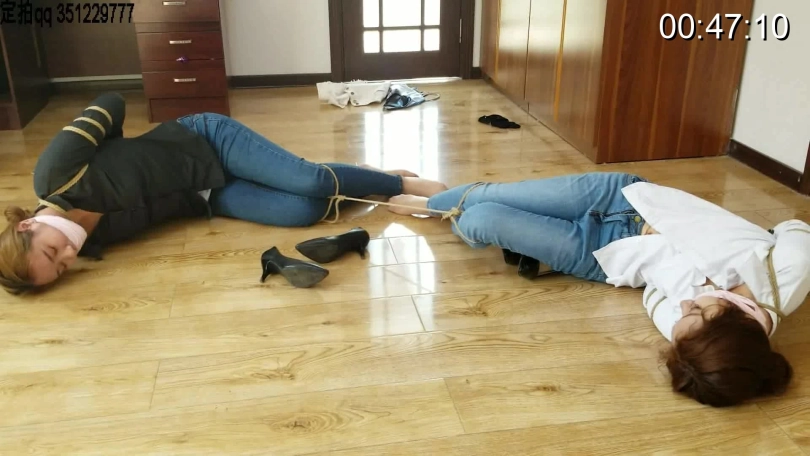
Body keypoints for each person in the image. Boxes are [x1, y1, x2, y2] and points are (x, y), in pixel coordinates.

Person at [388, 172, 810, 407]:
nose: (685, 305)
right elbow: (795, 228)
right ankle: (436, 197)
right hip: (626, 199)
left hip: (602, 253)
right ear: (735, 321)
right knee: (479, 196)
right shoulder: (787, 274)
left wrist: (670, 273)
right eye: (699, 311)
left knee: (481, 219)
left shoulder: (684, 335)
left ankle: (444, 207)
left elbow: (654, 295)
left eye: (687, 315)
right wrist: (746, 249)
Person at [0, 92, 447, 294]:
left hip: (207, 141)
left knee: (309, 181)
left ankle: (399, 185)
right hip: (208, 196)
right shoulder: (95, 243)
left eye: (53, 251)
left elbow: (110, 102)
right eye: (61, 268)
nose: (69, 255)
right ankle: (363, 178)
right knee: (302, 210)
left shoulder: (57, 174)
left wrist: (114, 148)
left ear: (27, 225)